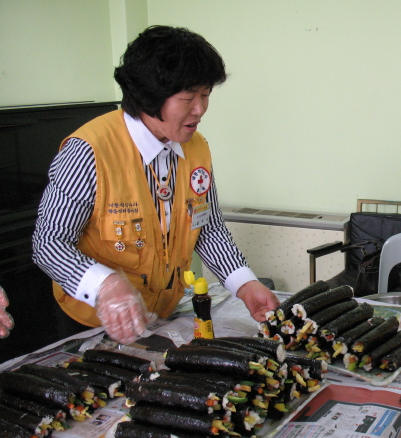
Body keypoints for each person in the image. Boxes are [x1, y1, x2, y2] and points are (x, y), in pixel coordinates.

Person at [32, 26, 279, 344]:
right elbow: (49, 243)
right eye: (188, 98)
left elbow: (208, 227)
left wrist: (244, 283)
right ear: (148, 97)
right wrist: (105, 285)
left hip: (163, 313)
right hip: (95, 321)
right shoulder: (89, 150)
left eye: (205, 95)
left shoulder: (196, 147)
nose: (200, 109)